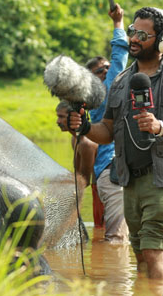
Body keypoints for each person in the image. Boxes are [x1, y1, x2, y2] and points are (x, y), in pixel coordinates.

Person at [70, 7, 163, 281]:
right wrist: (84, 127)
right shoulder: (120, 81)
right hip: (129, 179)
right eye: (132, 31)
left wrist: (160, 126)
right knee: (139, 253)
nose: (134, 38)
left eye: (143, 34)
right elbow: (107, 131)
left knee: (153, 251)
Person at [84, 3, 129, 243]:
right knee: (117, 241)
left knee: (109, 236)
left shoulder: (96, 97)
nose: (108, 71)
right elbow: (120, 55)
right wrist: (118, 23)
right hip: (111, 171)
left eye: (108, 69)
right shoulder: (103, 93)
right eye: (102, 71)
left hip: (108, 172)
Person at [55, 101, 102, 237]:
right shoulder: (75, 139)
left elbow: (84, 181)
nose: (58, 121)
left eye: (62, 117)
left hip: (101, 191)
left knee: (104, 231)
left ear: (74, 117)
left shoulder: (86, 143)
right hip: (96, 190)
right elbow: (77, 174)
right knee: (99, 229)